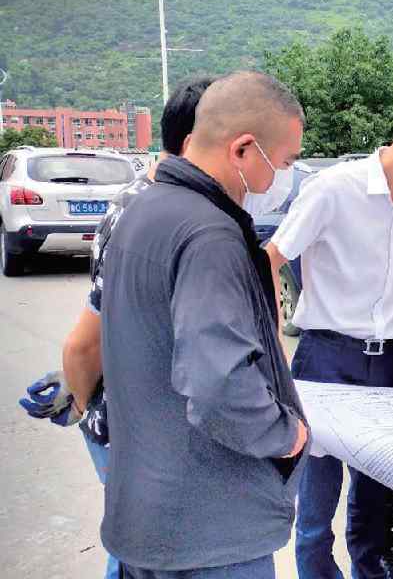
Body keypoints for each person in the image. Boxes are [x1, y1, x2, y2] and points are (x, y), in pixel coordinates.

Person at [98, 71, 309, 578]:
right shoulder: (209, 237)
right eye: (282, 163)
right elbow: (219, 385)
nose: (282, 177)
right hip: (211, 531)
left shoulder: (143, 210)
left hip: (145, 513)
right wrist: (287, 435)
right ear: (242, 150)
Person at [265, 97, 393, 579]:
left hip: (388, 363)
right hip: (327, 359)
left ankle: (372, 569)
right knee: (317, 499)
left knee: (376, 495)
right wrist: (275, 343)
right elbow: (270, 259)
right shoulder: (333, 190)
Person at [17, 76, 216, 579]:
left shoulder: (172, 204)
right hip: (133, 426)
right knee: (141, 551)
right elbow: (88, 341)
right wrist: (80, 403)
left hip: (155, 423)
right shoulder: (149, 211)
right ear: (195, 143)